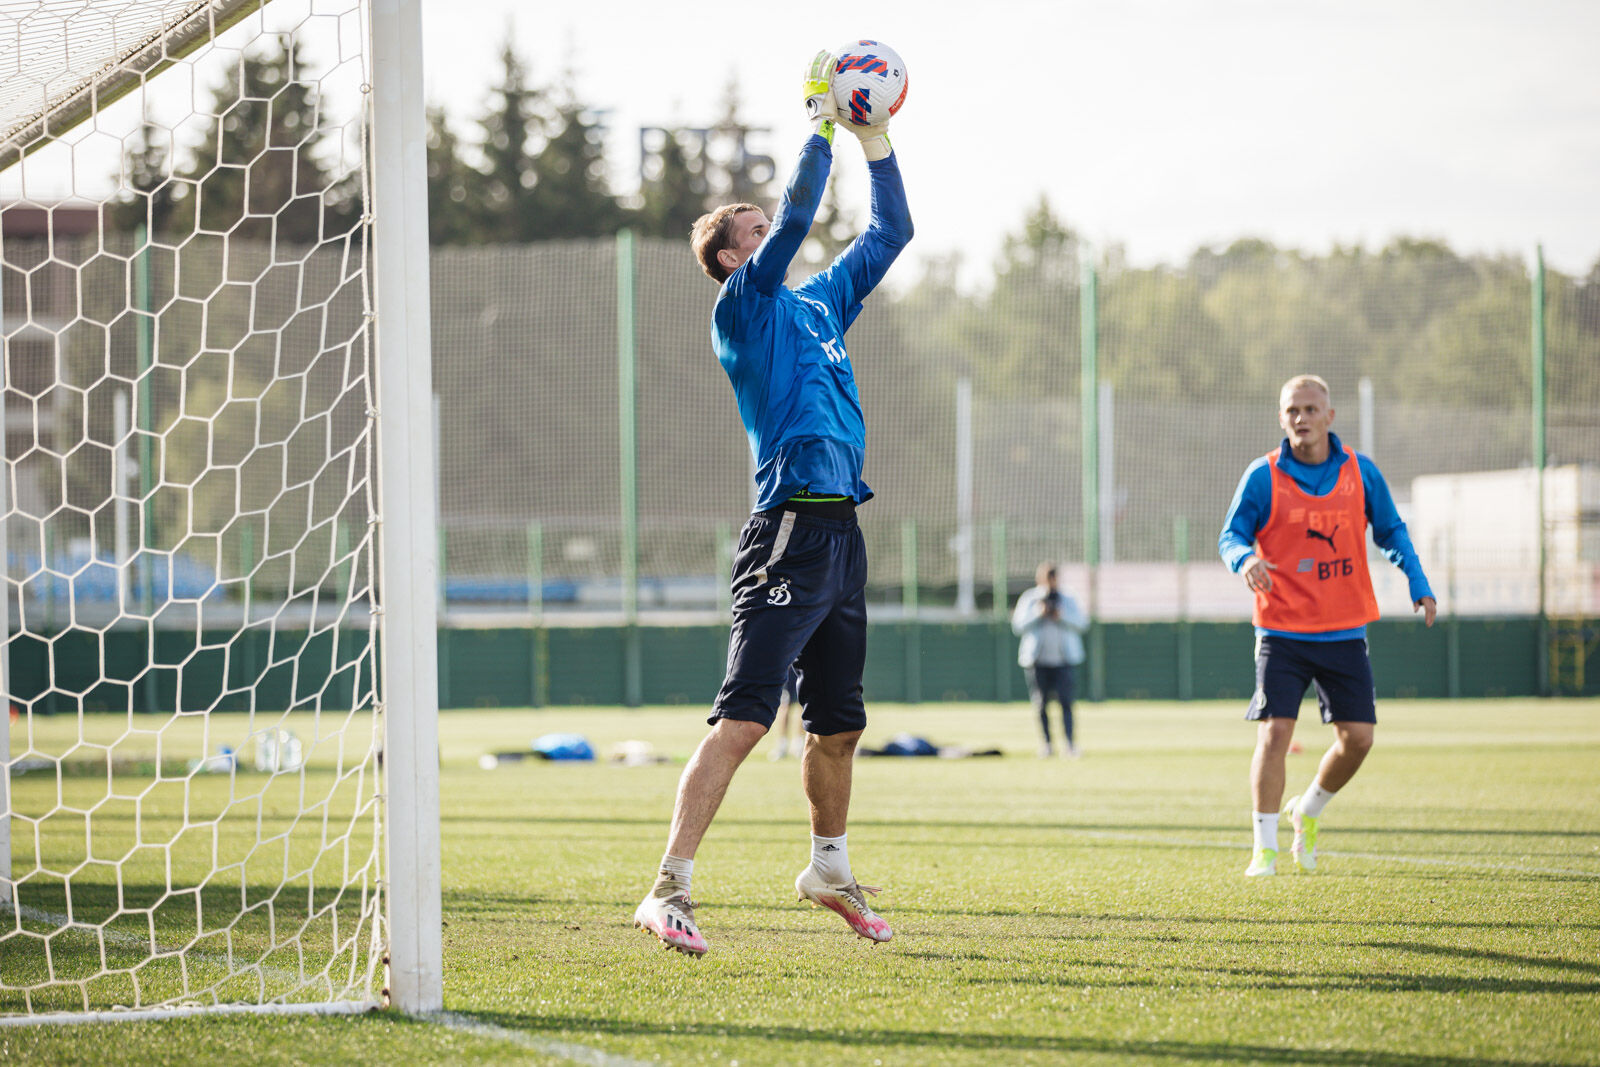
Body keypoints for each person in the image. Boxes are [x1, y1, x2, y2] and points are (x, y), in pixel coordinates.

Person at [632, 50, 912, 956]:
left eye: (762, 227)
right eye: (748, 231)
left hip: (842, 531)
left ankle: (828, 863)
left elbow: (893, 232)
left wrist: (876, 142)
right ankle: (667, 886)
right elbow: (798, 215)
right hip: (787, 527)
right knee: (747, 715)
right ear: (728, 258)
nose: (770, 236)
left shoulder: (821, 305)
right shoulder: (744, 309)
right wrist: (823, 124)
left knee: (841, 727)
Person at [1219, 374, 1436, 877]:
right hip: (1281, 632)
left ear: (1329, 417)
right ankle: (1264, 851)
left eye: (1311, 409)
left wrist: (1417, 580)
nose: (1302, 418)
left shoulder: (1360, 471)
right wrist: (1244, 559)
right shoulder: (1263, 475)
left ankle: (1308, 809)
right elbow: (1231, 534)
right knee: (1275, 733)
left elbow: (1391, 530)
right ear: (1281, 418)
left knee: (1358, 738)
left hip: (1344, 631)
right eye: (1293, 410)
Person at [1010, 563, 1088, 758]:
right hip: (1037, 661)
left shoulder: (1068, 598)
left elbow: (1082, 623)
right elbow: (1017, 625)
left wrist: (1062, 616)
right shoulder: (1031, 598)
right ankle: (1047, 744)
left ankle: (1070, 744)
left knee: (1066, 703)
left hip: (1064, 660)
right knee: (1041, 704)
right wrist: (1039, 612)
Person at [768, 668, 801, 760]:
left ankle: (798, 743)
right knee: (785, 705)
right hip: (790, 666)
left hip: (803, 665)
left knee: (802, 705)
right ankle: (782, 744)